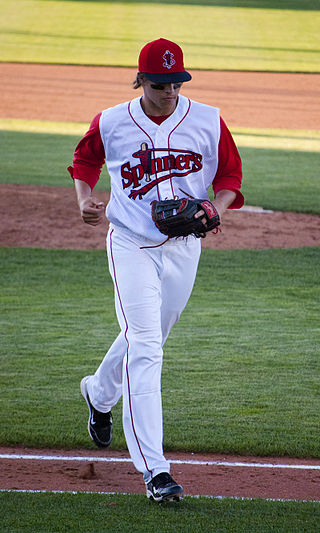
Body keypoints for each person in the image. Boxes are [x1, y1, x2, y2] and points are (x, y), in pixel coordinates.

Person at [68, 38, 244, 503]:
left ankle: (98, 394)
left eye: (177, 82)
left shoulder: (206, 119)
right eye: (161, 83)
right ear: (141, 80)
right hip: (130, 244)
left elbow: (230, 177)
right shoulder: (112, 121)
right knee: (146, 348)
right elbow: (85, 159)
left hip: (185, 249)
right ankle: (155, 471)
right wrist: (86, 200)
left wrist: (215, 206)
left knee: (146, 336)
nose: (171, 91)